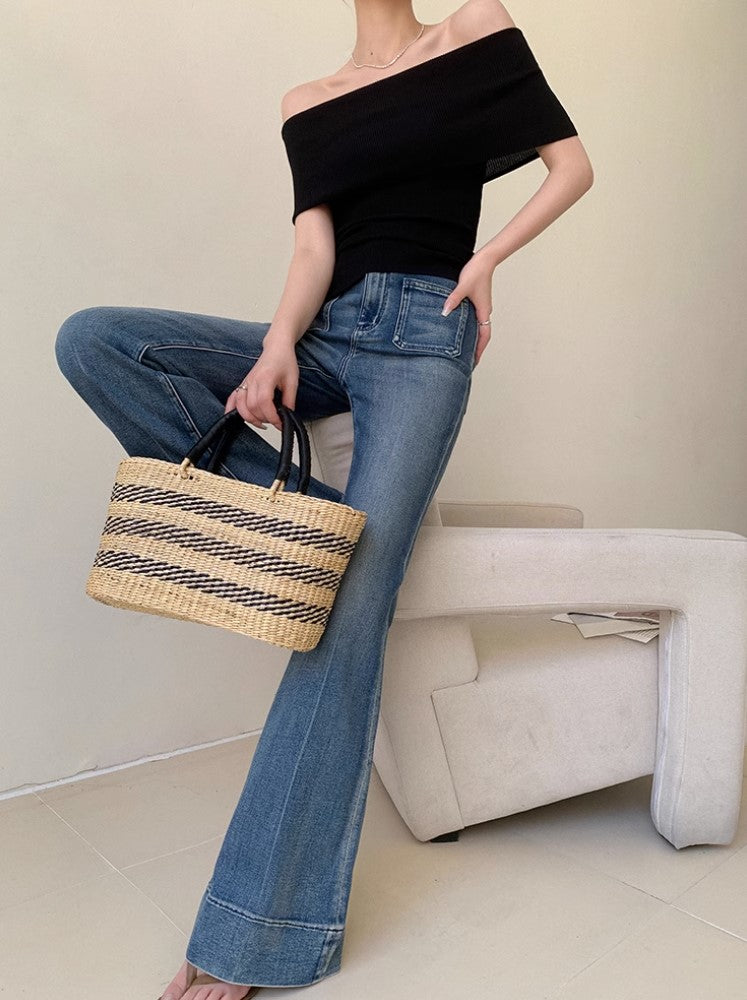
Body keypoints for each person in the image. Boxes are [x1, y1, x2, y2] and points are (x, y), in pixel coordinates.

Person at [54, 1, 593, 996]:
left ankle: (253, 934)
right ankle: (314, 530)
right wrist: (274, 347)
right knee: (97, 341)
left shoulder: (472, 28)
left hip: (425, 340)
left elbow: (572, 167)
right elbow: (313, 251)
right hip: (327, 331)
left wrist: (484, 262)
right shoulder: (308, 99)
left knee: (344, 619)